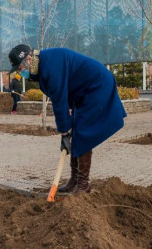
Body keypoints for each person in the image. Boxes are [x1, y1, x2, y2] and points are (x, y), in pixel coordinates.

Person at [8, 44, 126, 194]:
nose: (20, 72)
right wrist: (67, 131)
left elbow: (59, 100)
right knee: (77, 130)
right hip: (84, 92)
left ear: (29, 59)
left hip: (98, 86)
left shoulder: (50, 65)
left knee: (84, 133)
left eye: (20, 68)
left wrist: (64, 132)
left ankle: (83, 185)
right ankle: (75, 179)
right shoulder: (42, 66)